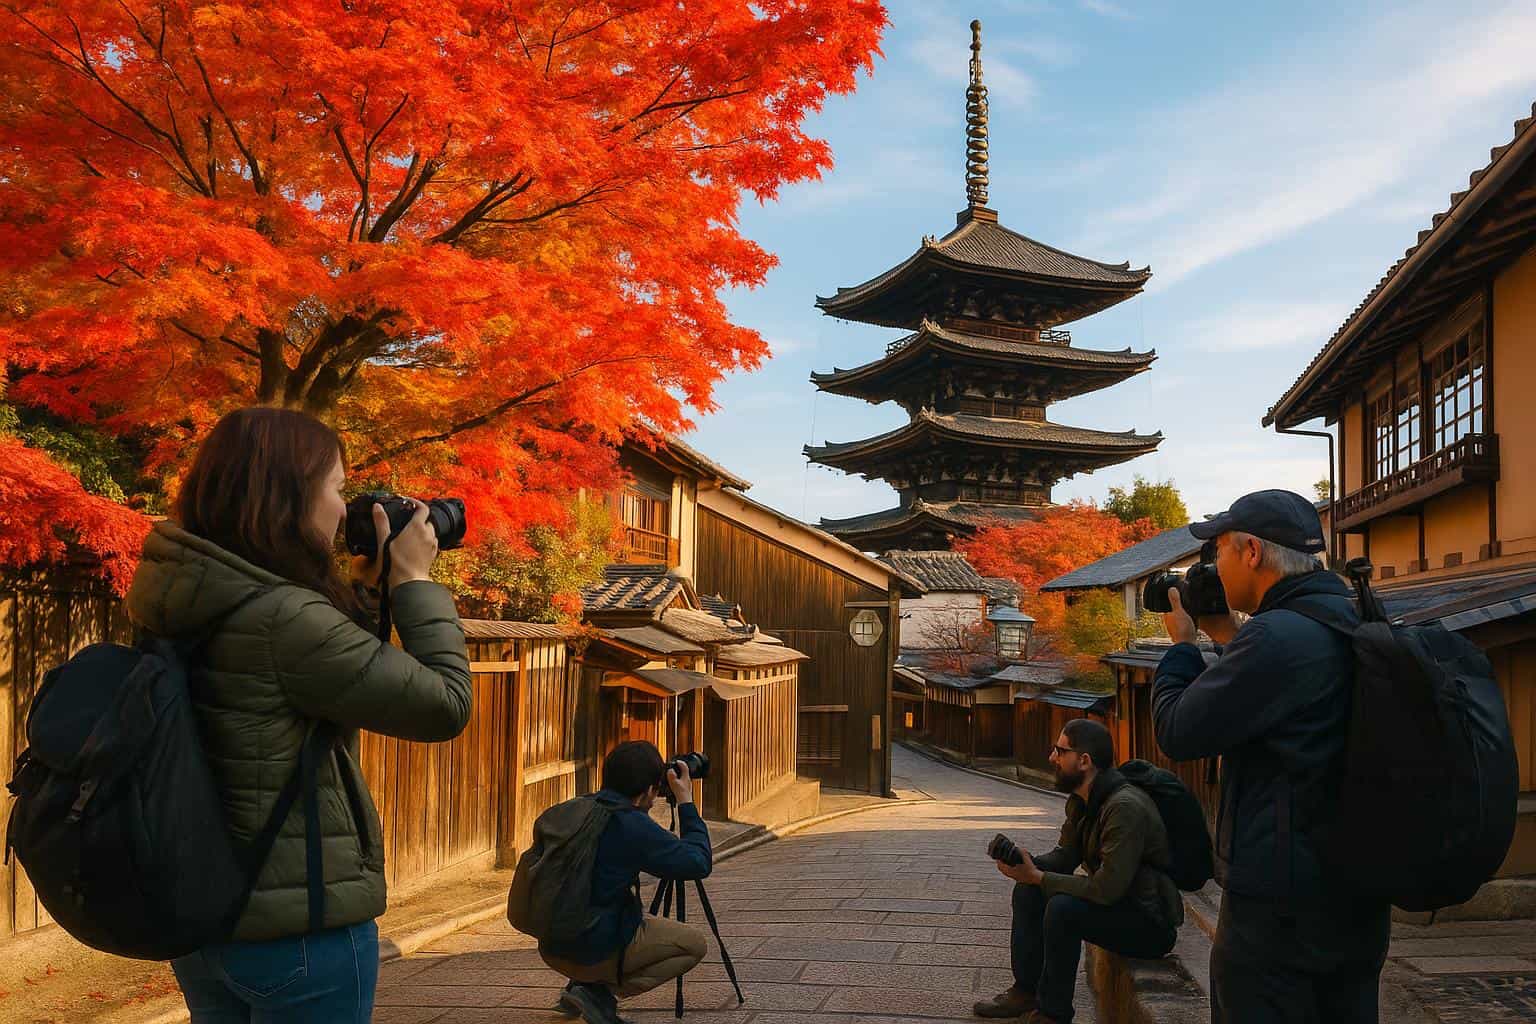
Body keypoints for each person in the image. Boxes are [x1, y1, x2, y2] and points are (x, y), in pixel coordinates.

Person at [125, 406, 473, 1023]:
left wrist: (363, 591)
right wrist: (416, 581)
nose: (346, 510)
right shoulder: (283, 617)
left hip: (210, 916)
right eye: (337, 488)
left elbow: (310, 678)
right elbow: (444, 705)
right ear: (288, 495)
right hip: (299, 932)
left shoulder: (183, 592)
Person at [1152, 489, 1390, 1023]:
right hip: (1359, 896)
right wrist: (1225, 635)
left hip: (1279, 905)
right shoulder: (1355, 620)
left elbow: (1177, 731)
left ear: (1252, 552)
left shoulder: (1275, 638)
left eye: (1218, 552)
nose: (1212, 567)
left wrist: (1183, 648)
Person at [974, 719, 1181, 1024]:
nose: (1051, 758)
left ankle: (1053, 1014)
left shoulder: (1124, 807)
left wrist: (1041, 877)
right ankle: (1026, 991)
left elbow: (1105, 889)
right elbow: (1065, 856)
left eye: (1060, 751)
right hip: (1118, 906)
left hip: (1148, 921)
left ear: (1084, 761)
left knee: (1062, 909)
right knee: (1029, 890)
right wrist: (1027, 863)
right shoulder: (1083, 800)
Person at [540, 741, 713, 1024]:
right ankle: (597, 991)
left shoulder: (576, 808)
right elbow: (698, 862)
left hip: (552, 946)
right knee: (693, 944)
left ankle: (581, 985)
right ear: (648, 790)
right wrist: (686, 801)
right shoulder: (631, 825)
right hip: (591, 949)